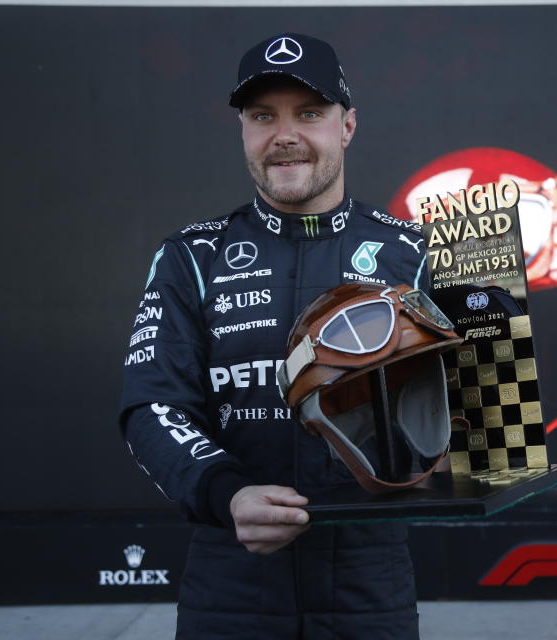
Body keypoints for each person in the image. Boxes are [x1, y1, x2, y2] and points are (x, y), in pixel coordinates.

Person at [119, 33, 427, 639]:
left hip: (371, 585)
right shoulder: (192, 257)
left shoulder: (414, 254)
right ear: (243, 131)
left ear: (348, 126)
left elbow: (476, 410)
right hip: (228, 581)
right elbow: (152, 406)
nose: (284, 134)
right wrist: (226, 493)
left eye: (309, 113)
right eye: (264, 116)